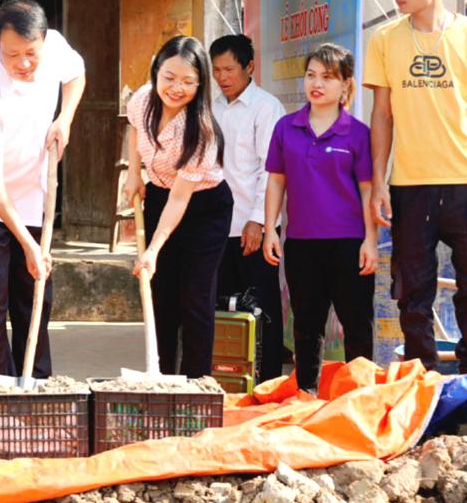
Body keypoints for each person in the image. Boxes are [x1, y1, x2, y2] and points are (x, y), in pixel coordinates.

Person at [366, 0, 467, 374]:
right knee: (411, 287)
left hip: (465, 182)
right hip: (409, 185)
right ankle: (422, 375)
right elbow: (381, 116)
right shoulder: (385, 40)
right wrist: (380, 182)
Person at [0, 0, 86, 383]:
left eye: (32, 53)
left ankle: (38, 382)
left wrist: (65, 118)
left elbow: (75, 75)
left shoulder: (54, 45)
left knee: (36, 294)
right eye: (13, 55)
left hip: (32, 189)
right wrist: (29, 246)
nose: (25, 63)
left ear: (44, 41)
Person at [263, 44, 377, 393]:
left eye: (327, 77)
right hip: (301, 243)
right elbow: (276, 181)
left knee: (357, 324)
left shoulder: (357, 133)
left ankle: (361, 396)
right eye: (311, 75)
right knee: (306, 325)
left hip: (349, 244)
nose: (317, 83)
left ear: (345, 85)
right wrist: (271, 230)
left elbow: (368, 190)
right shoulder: (286, 128)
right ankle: (306, 393)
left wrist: (371, 240)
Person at [124, 35, 232, 378]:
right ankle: (163, 378)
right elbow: (133, 129)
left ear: (200, 84)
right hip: (159, 194)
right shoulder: (142, 100)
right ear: (156, 71)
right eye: (169, 77)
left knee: (195, 299)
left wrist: (153, 249)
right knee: (161, 297)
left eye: (188, 81)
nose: (176, 88)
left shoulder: (200, 131)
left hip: (204, 208)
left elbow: (182, 198)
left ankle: (194, 383)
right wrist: (132, 173)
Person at [210, 34, 286, 381]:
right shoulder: (209, 107)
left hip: (254, 225)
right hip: (214, 226)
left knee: (261, 305)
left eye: (228, 69)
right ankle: (226, 376)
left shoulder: (266, 108)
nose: (222, 77)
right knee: (219, 304)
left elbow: (270, 170)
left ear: (249, 67)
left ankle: (267, 379)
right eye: (216, 70)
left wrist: (259, 221)